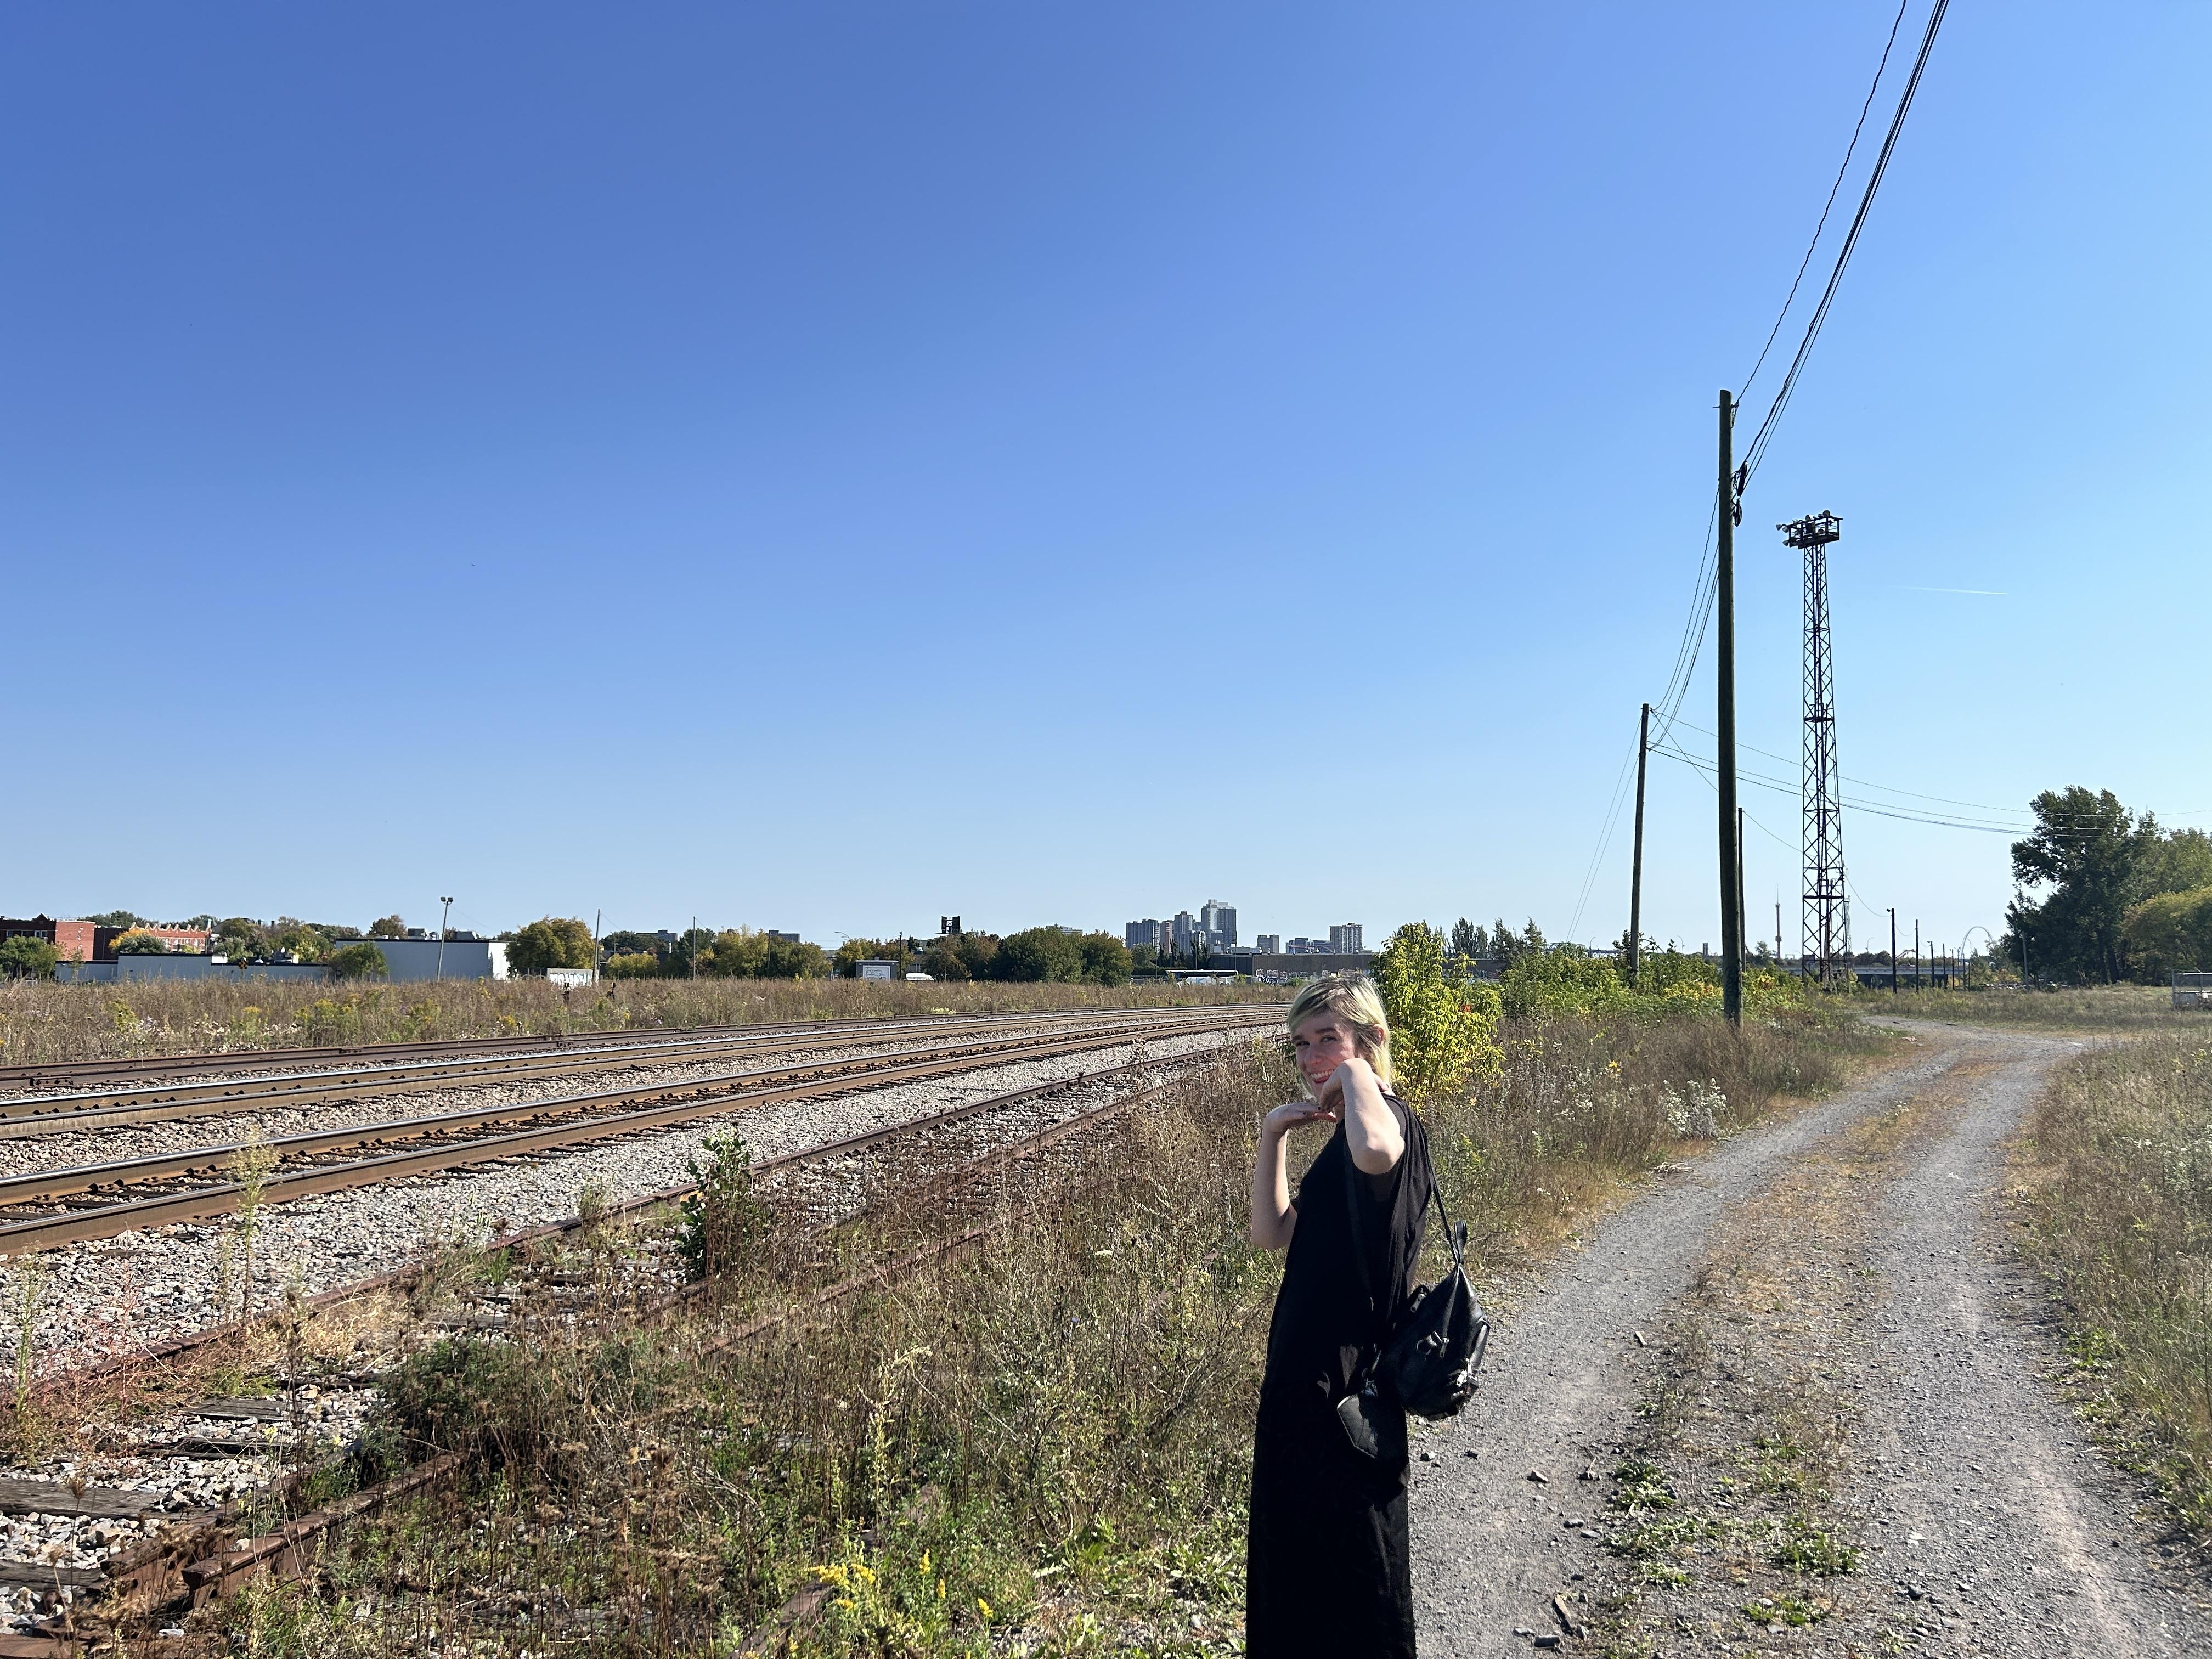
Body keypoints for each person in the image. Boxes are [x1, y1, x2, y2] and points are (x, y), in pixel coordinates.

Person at [1246, 973, 1435, 1657]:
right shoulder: (1349, 1133)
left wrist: (1353, 1075)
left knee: (1357, 1573)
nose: (1311, 1057)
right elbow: (1271, 1233)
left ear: (1371, 1039)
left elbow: (1379, 1149)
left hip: (1346, 1385)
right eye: (1300, 1043)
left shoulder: (1388, 1124)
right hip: (1303, 1378)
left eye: (1329, 1038)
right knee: (1293, 1562)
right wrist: (1275, 1135)